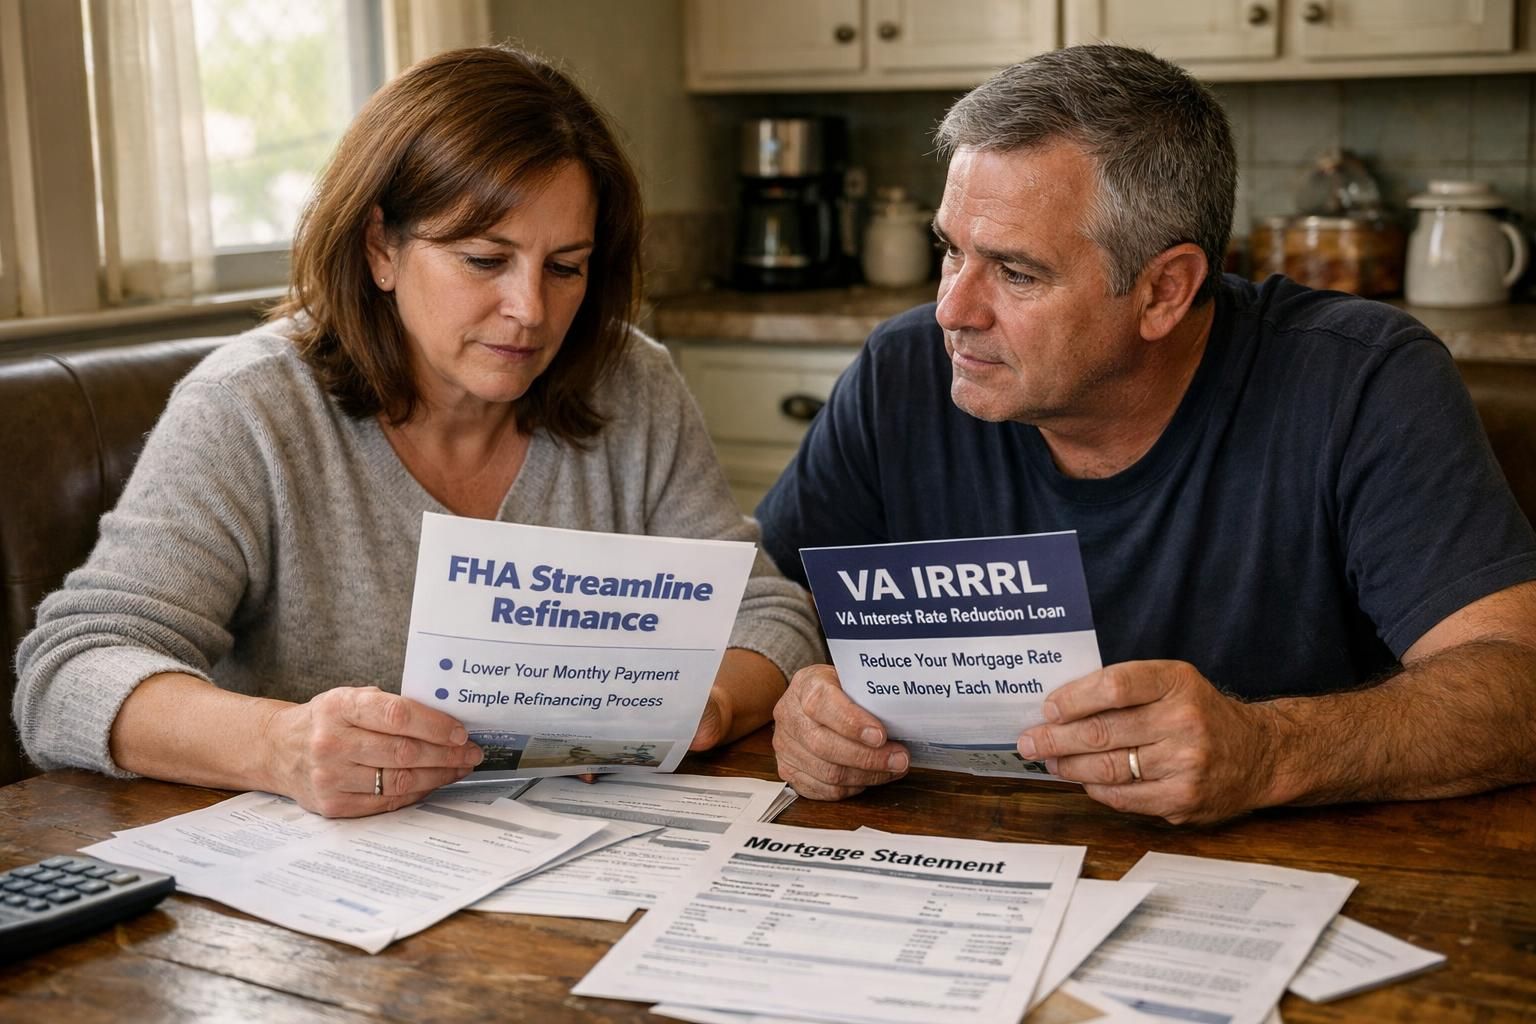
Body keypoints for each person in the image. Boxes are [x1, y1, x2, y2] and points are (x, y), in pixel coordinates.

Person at [13, 46, 822, 818]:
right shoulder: (248, 408)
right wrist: (279, 745)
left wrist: (705, 704)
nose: (530, 310)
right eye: (484, 259)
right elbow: (68, 674)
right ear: (381, 249)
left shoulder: (631, 382)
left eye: (565, 266)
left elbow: (769, 615)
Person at [757, 45, 1536, 825]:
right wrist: (802, 696)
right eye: (950, 251)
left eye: (1017, 273)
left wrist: (1269, 751)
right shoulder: (902, 372)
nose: (952, 311)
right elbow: (771, 610)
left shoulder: (1359, 381)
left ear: (1165, 290)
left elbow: (1519, 682)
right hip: (964, 848)